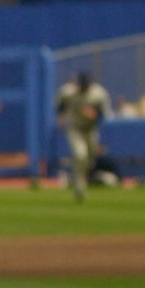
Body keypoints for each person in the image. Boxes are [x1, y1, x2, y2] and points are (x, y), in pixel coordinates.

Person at [55, 71, 111, 200]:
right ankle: (79, 186)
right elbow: (60, 106)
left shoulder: (98, 94)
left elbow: (104, 114)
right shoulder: (69, 92)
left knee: (89, 160)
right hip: (75, 128)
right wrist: (61, 118)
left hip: (91, 129)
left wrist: (94, 113)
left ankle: (81, 179)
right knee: (80, 155)